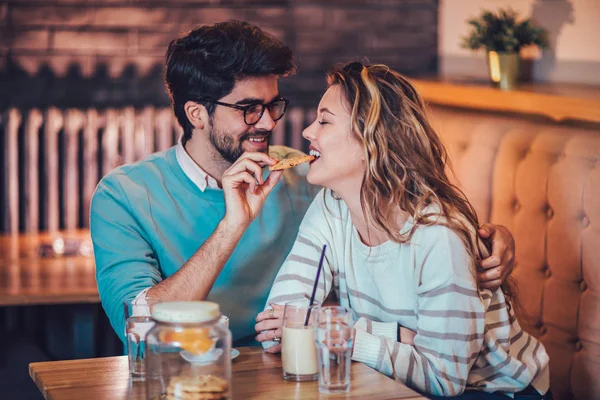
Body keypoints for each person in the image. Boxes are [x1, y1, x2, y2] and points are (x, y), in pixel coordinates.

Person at [90, 21, 516, 346]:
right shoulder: (123, 195)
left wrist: (488, 237)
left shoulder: (309, 180)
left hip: (296, 370)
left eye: (274, 104)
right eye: (249, 109)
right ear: (197, 114)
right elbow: (141, 331)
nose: (271, 122)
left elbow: (409, 211)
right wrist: (231, 226)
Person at [255, 62, 550, 399]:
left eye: (324, 120)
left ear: (374, 141)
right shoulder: (330, 207)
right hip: (391, 381)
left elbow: (444, 380)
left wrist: (343, 331)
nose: (308, 132)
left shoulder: (438, 236)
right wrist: (398, 334)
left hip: (493, 391)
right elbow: (279, 327)